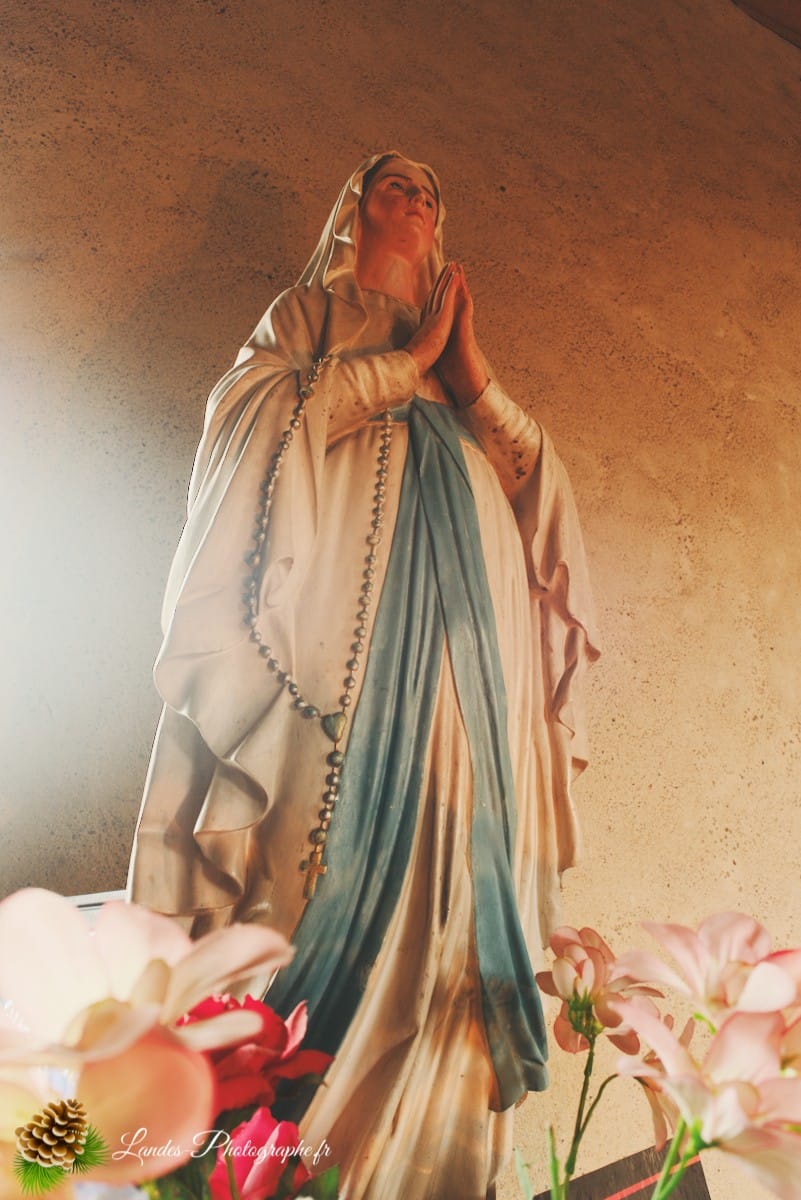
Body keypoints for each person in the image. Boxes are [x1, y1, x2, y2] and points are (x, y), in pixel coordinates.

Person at [128, 151, 600, 1199]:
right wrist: (403, 362)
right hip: (332, 665)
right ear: (353, 210)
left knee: (460, 878)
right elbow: (247, 431)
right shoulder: (304, 318)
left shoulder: (462, 372)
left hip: (472, 672)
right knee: (317, 861)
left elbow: (539, 508)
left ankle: (430, 1157)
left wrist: (467, 376)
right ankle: (293, 1153)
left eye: (435, 190)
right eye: (395, 183)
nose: (419, 197)